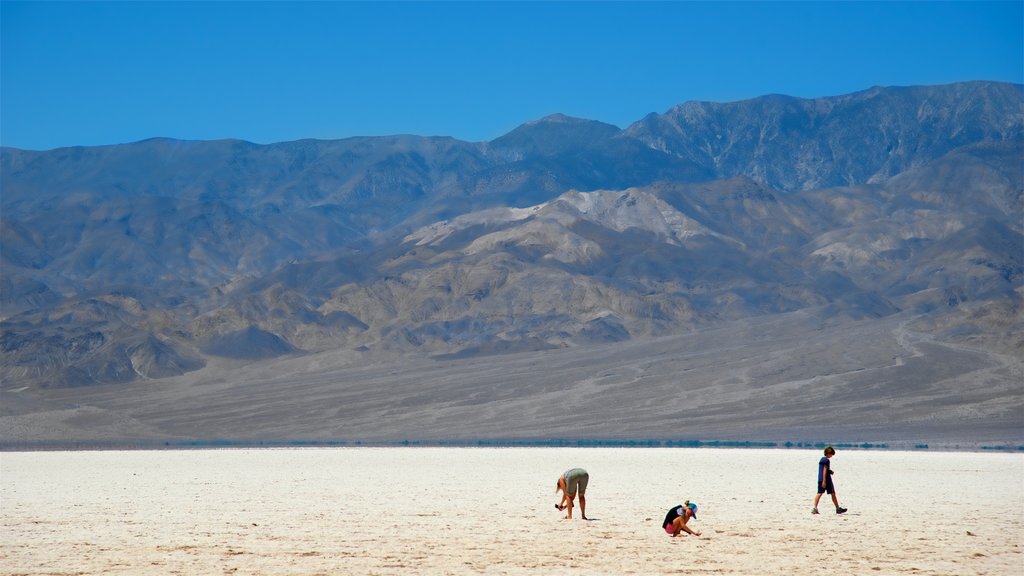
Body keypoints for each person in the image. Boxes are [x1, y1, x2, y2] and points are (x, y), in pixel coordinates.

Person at [813, 446, 848, 514]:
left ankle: (815, 508)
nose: (832, 456)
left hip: (820, 479)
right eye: (831, 454)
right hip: (826, 480)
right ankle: (838, 508)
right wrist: (824, 480)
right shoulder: (826, 460)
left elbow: (823, 469)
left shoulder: (822, 459)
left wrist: (830, 471)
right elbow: (825, 470)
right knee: (832, 494)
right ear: (828, 453)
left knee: (819, 493)